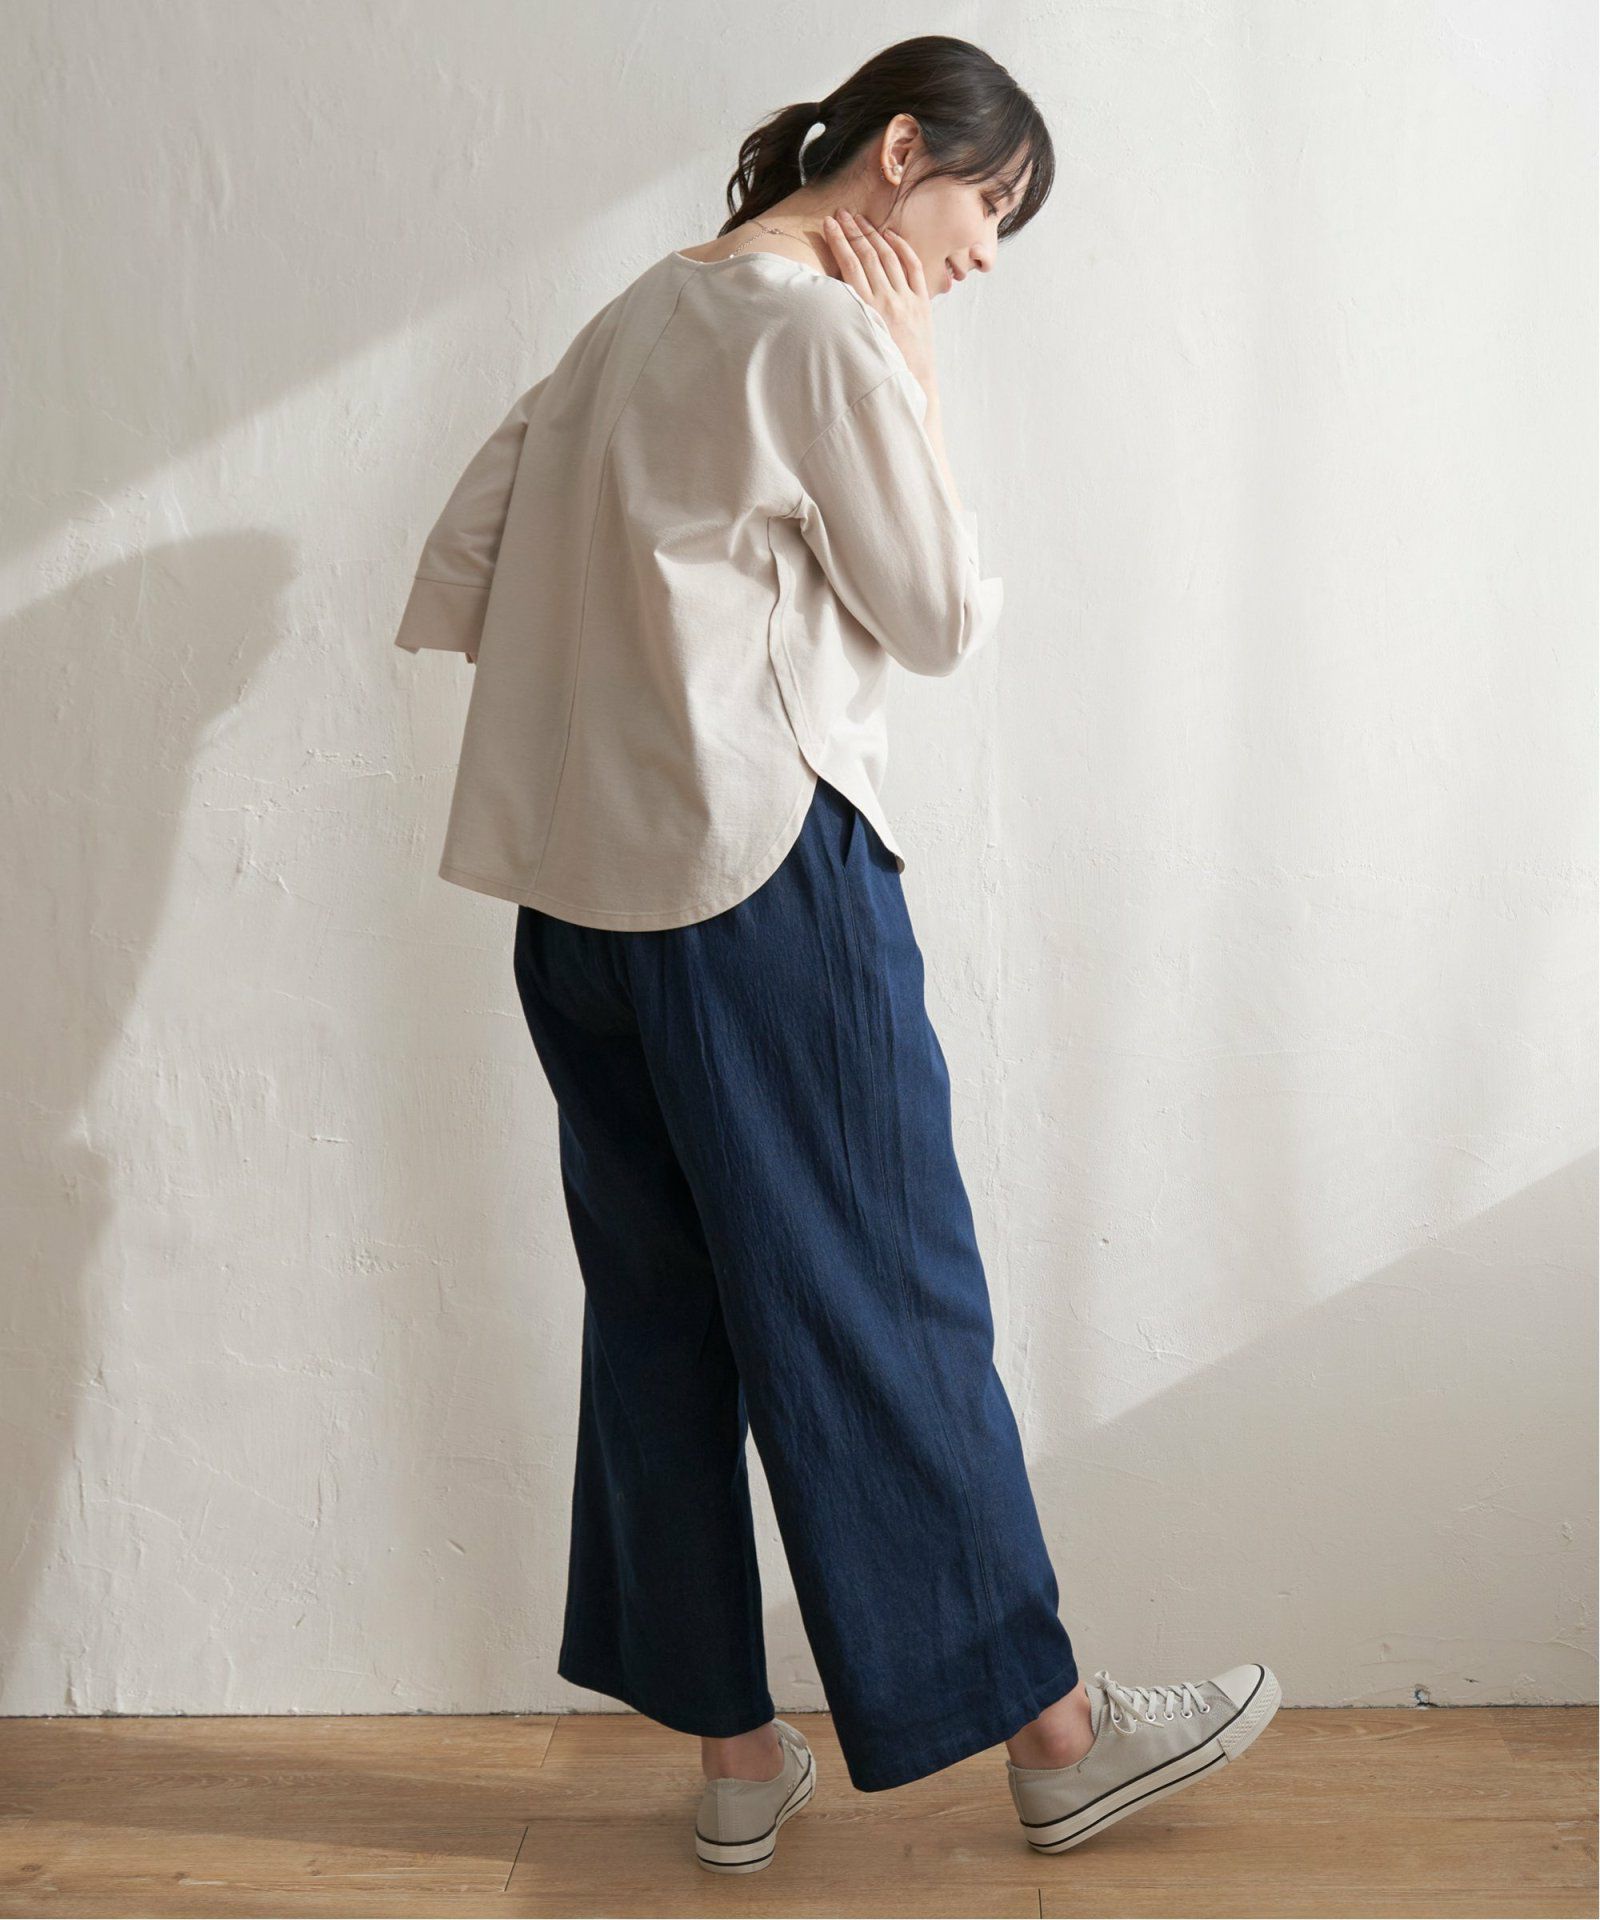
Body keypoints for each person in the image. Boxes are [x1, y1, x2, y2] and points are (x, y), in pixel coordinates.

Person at [392, 32, 1279, 1876]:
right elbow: (937, 615)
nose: (984, 252)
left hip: (576, 904)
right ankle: (1053, 1739)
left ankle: (736, 1766)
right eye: (988, 205)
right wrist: (916, 379)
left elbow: (462, 562)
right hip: (757, 880)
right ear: (899, 151)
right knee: (888, 1292)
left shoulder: (631, 316)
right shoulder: (822, 332)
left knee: (662, 1316)